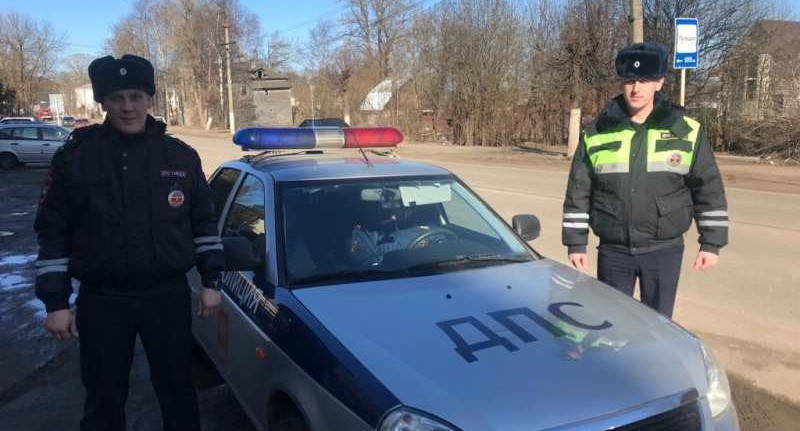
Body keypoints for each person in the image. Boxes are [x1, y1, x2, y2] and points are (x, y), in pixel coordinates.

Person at [33, 54, 225, 431]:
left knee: (178, 392)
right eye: (117, 98)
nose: (127, 107)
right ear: (103, 102)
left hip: (166, 297)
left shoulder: (181, 157)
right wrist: (56, 302)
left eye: (136, 96)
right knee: (103, 399)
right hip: (103, 301)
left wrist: (211, 282)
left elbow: (203, 223)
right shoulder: (75, 158)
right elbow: (53, 231)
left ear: (149, 99)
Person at [562, 43, 728, 318]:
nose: (636, 88)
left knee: (658, 325)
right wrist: (576, 242)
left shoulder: (685, 129)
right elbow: (579, 190)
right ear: (621, 83)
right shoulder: (598, 131)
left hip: (663, 251)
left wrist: (711, 243)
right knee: (612, 323)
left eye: (645, 80)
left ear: (659, 82)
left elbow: (708, 187)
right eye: (629, 81)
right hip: (614, 251)